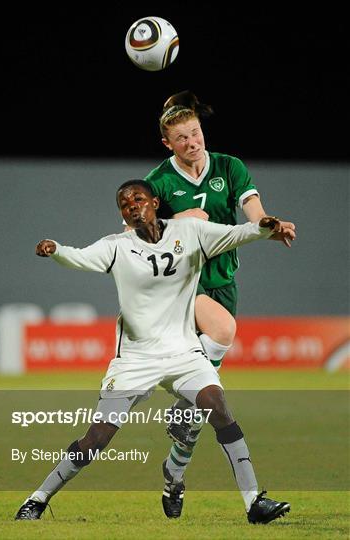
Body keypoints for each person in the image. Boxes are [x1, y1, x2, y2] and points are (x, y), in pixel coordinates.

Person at [15, 180, 291, 524]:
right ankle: (38, 498)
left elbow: (237, 234)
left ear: (155, 202)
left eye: (138, 199)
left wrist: (263, 228)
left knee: (219, 409)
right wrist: (56, 249)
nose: (132, 205)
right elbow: (79, 258)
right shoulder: (117, 246)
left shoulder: (190, 231)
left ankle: (254, 503)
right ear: (122, 214)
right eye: (124, 203)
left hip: (183, 353)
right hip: (135, 361)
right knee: (97, 439)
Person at [143, 91, 296, 504]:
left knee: (205, 401)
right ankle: (181, 409)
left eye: (195, 134)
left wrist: (267, 224)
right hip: (180, 286)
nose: (192, 143)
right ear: (168, 144)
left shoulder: (228, 166)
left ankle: (174, 469)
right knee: (223, 331)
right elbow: (137, 232)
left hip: (222, 282)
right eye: (182, 138)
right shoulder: (158, 181)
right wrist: (176, 219)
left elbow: (251, 204)